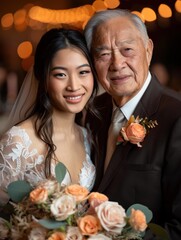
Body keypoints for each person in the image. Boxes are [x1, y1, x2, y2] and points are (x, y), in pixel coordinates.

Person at [84, 9, 181, 239]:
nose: (117, 64)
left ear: (148, 49)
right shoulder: (90, 112)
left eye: (127, 50)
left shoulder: (176, 118)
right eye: (104, 54)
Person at [0, 28, 98, 206]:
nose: (74, 85)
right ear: (42, 77)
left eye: (83, 72)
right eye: (60, 74)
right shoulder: (18, 142)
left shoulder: (86, 136)